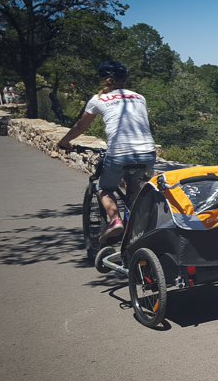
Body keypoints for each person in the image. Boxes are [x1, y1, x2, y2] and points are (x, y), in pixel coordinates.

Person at [58, 61, 156, 244]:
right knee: (134, 182)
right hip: (148, 153)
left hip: (119, 153)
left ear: (103, 80)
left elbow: (81, 126)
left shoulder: (98, 99)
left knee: (104, 187)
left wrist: (64, 142)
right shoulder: (139, 97)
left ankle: (115, 221)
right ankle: (138, 223)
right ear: (125, 81)